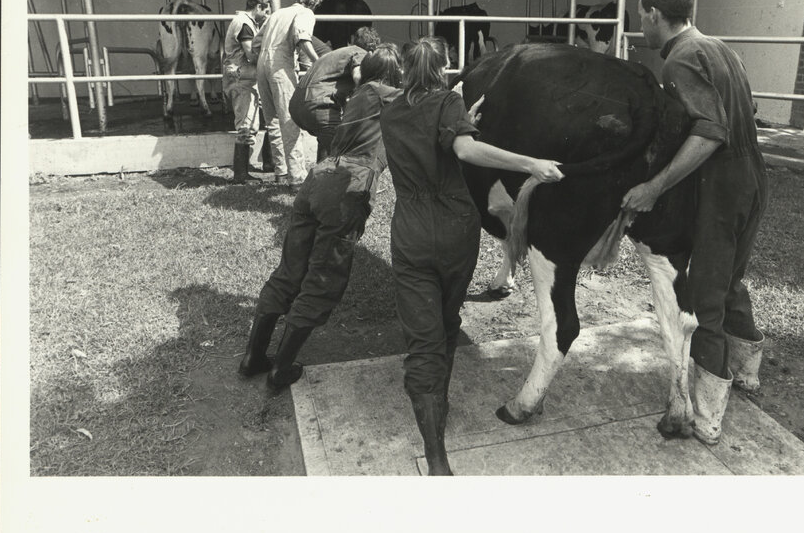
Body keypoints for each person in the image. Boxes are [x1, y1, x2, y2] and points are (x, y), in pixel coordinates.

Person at [379, 36, 565, 475]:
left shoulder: (390, 109)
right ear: (444, 69)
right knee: (446, 320)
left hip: (411, 231)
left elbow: (430, 131)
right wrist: (531, 164)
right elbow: (461, 149)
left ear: (406, 71)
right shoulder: (447, 104)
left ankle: (436, 452)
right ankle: (438, 408)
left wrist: (463, 118)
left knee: (422, 340)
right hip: (456, 229)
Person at [621, 0, 769, 445]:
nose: (639, 25)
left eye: (640, 15)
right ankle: (747, 372)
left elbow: (709, 132)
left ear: (654, 15)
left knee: (705, 297)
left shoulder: (681, 59)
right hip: (754, 177)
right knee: (731, 281)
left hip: (722, 184)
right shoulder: (721, 47)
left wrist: (653, 186)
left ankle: (705, 418)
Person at [238, 44, 404, 390]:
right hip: (347, 188)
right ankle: (280, 369)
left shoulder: (357, 94)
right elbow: (424, 104)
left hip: (318, 180)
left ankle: (254, 356)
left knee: (289, 272)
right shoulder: (386, 94)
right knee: (322, 280)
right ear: (393, 74)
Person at [254, 0, 322, 189]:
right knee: (290, 121)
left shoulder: (277, 13)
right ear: (313, 3)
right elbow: (304, 40)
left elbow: (256, 43)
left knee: (272, 121)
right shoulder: (305, 13)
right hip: (280, 65)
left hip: (261, 65)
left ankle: (280, 171)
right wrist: (319, 62)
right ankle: (297, 177)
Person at [289, 26, 382, 164]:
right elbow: (358, 77)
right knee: (344, 152)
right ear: (372, 49)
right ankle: (336, 181)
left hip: (297, 106)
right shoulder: (361, 53)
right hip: (317, 104)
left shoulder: (335, 54)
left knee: (328, 138)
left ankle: (320, 177)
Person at [222, 0, 272, 184]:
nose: (267, 15)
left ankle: (245, 171)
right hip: (240, 78)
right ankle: (240, 175)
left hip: (243, 77)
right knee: (246, 125)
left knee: (250, 124)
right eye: (266, 10)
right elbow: (251, 55)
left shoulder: (244, 22)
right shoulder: (244, 24)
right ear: (258, 7)